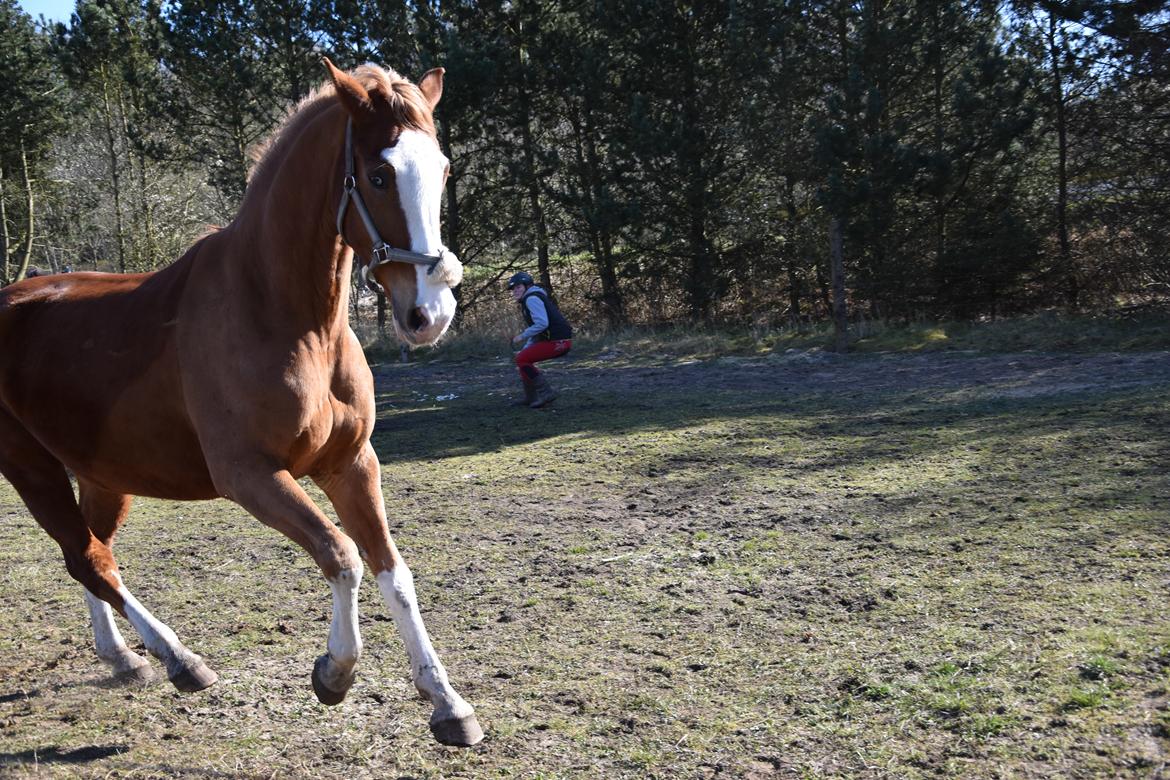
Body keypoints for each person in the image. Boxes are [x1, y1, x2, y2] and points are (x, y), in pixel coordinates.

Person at [507, 271, 572, 408]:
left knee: (521, 359)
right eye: (513, 289)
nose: (515, 291)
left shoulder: (531, 299)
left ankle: (546, 393)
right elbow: (538, 332)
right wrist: (525, 349)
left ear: (527, 285)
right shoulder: (531, 298)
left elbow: (542, 324)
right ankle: (530, 397)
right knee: (522, 359)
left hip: (558, 342)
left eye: (518, 287)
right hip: (554, 340)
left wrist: (521, 336)